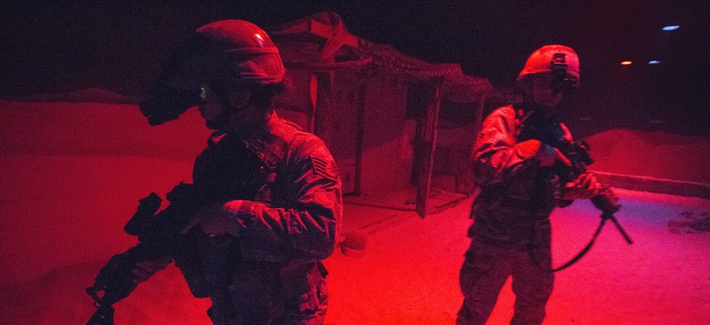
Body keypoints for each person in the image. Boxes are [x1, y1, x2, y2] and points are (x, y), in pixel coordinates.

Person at [133, 20, 342, 324]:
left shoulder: (302, 151)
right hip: (232, 312)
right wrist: (163, 252)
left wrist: (233, 214)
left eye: (205, 91)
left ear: (240, 95)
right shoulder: (215, 158)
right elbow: (204, 223)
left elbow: (322, 233)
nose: (199, 103)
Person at [456, 45, 603, 325]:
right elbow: (482, 167)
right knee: (475, 309)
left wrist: (577, 190)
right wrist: (533, 150)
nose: (552, 91)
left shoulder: (562, 133)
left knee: (532, 311)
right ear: (528, 82)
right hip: (495, 235)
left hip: (535, 239)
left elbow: (555, 191)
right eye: (545, 82)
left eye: (560, 86)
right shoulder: (504, 120)